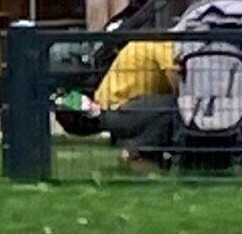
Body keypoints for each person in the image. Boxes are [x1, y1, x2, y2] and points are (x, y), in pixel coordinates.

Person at [72, 33, 178, 166]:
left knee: (167, 105)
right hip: (118, 110)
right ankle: (137, 152)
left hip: (110, 108)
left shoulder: (155, 40)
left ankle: (146, 154)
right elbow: (179, 87)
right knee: (176, 105)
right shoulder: (166, 45)